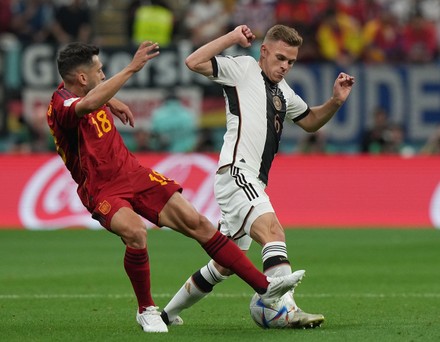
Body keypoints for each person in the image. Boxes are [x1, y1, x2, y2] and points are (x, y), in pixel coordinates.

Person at [46, 41, 304, 333]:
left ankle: (264, 287)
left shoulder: (84, 91)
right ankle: (147, 310)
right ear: (82, 78)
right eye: (99, 71)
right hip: (102, 189)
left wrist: (111, 101)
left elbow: (92, 98)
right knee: (135, 233)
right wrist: (132, 67)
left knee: (199, 224)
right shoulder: (60, 106)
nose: (103, 75)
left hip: (133, 173)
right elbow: (85, 104)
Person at [160, 24, 354, 328]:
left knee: (224, 264)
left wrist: (335, 102)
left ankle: (166, 315)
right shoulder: (242, 68)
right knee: (273, 231)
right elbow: (193, 62)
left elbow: (311, 121)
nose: (285, 66)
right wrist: (232, 39)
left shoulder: (283, 90)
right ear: (263, 51)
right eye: (280, 58)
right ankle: (287, 309)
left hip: (252, 180)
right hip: (237, 173)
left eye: (290, 61)